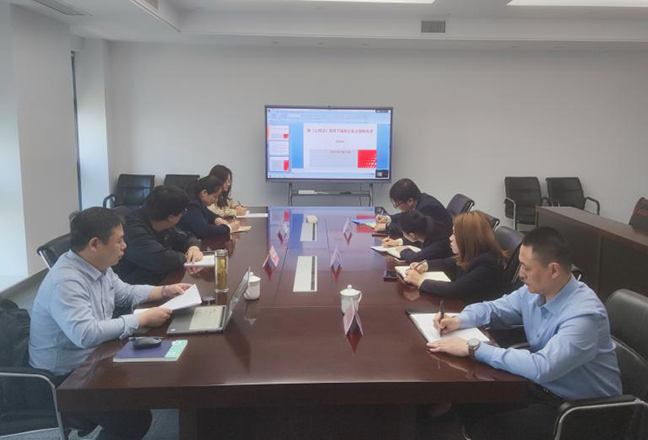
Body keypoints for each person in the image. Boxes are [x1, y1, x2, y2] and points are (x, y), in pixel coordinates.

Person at [427, 227, 622, 440]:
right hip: (539, 389)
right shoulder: (535, 292)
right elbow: (494, 309)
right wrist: (459, 319)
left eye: (526, 267)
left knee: (487, 428)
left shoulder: (584, 315)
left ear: (553, 270)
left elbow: (543, 367)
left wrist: (474, 348)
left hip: (579, 411)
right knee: (469, 402)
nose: (520, 274)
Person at [29, 207, 191, 439]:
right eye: (119, 240)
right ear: (95, 244)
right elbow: (85, 334)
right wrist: (140, 319)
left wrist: (165, 291)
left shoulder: (97, 266)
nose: (125, 246)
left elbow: (125, 293)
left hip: (94, 355)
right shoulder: (66, 281)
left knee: (162, 364)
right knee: (132, 420)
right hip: (65, 377)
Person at [403, 211, 507, 304]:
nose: (450, 238)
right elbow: (450, 263)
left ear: (467, 239)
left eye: (454, 234)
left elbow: (454, 290)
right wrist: (426, 265)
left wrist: (420, 281)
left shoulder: (486, 265)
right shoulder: (475, 253)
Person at [114, 185, 203, 285]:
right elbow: (162, 260)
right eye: (183, 212)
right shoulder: (133, 230)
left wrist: (193, 248)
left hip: (156, 278)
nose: (182, 215)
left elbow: (186, 237)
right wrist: (188, 258)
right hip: (136, 285)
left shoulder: (161, 220)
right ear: (171, 217)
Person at [374, 178, 452, 240]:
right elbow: (404, 216)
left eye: (397, 205)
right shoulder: (419, 200)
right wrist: (388, 218)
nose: (397, 207)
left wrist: (387, 227)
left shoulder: (427, 207)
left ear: (410, 201)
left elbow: (412, 229)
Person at [382, 210, 453, 264]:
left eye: (403, 233)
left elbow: (415, 259)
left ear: (412, 235)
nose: (404, 235)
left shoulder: (439, 242)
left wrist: (403, 251)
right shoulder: (427, 227)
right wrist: (397, 242)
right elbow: (418, 240)